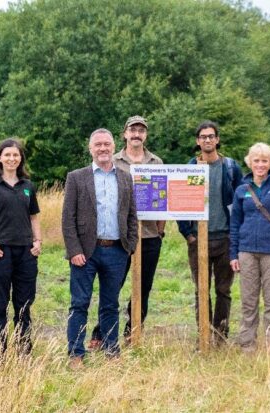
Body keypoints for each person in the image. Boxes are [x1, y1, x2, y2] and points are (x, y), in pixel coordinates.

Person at [62, 128, 138, 368]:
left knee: (110, 304)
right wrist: (74, 250)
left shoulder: (125, 177)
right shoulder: (76, 177)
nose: (103, 148)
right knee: (79, 303)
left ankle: (111, 350)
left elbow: (132, 215)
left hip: (117, 250)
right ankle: (76, 353)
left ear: (114, 146)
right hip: (86, 252)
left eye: (107, 144)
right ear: (90, 148)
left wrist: (130, 246)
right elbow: (67, 218)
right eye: (98, 145)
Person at [89, 116, 165, 349]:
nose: (136, 134)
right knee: (114, 285)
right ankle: (100, 333)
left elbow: (163, 200)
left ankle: (133, 331)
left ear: (145, 135)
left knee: (144, 287)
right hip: (119, 236)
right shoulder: (112, 160)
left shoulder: (157, 162)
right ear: (124, 134)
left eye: (141, 130)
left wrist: (160, 231)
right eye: (133, 130)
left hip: (149, 235)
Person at [0, 138, 41, 356]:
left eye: (16, 155)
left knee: (23, 305)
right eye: (7, 155)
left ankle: (23, 352)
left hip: (26, 253)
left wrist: (37, 241)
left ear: (20, 159)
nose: (11, 158)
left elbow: (34, 217)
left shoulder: (28, 186)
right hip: (0, 253)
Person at [177, 120, 243, 344]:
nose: (207, 140)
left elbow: (240, 202)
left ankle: (220, 336)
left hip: (224, 238)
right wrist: (188, 235)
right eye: (203, 136)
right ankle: (203, 336)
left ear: (217, 139)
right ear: (197, 141)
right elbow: (179, 203)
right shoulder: (189, 169)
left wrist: (236, 235)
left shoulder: (230, 168)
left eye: (211, 136)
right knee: (201, 291)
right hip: (198, 240)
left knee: (223, 290)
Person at [229, 142, 270, 353]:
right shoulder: (241, 190)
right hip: (246, 251)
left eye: (264, 161)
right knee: (248, 302)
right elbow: (235, 222)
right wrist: (233, 253)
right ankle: (247, 347)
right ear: (250, 162)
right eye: (256, 160)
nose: (260, 164)